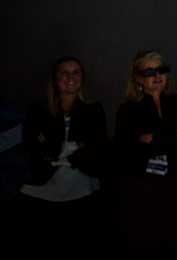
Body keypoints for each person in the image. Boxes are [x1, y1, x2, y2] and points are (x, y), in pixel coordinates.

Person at [16, 56, 108, 256]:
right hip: (41, 187)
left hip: (81, 189)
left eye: (76, 72)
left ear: (82, 77)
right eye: (64, 73)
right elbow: (35, 146)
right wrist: (73, 147)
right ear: (55, 78)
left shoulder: (94, 109)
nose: (70, 77)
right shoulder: (38, 109)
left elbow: (98, 149)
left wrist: (64, 151)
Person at [114, 50, 177, 259]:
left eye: (161, 70)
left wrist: (154, 139)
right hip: (139, 191)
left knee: (175, 243)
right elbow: (128, 152)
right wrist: (173, 135)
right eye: (149, 72)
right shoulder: (128, 110)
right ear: (138, 78)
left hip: (173, 187)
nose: (157, 76)